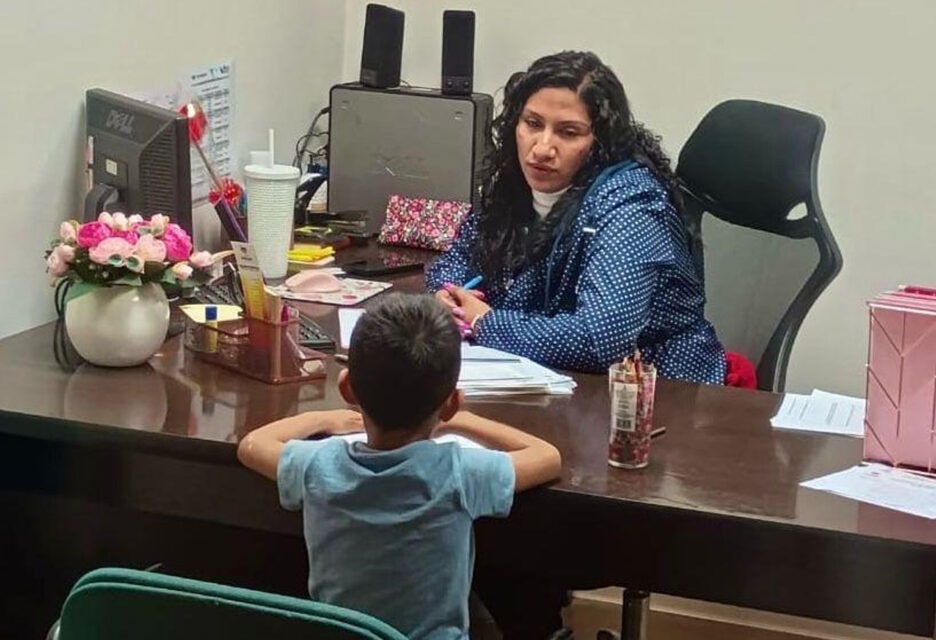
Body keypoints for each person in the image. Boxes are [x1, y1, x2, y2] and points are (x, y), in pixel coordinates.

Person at [237, 293, 562, 639]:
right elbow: (547, 457)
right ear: (451, 402)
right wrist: (461, 420)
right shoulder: (459, 472)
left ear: (347, 388)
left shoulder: (318, 466)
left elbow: (253, 445)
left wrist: (324, 418)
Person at [428, 51, 726, 383]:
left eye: (568, 132)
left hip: (651, 388)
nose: (542, 148)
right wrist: (448, 296)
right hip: (541, 375)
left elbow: (601, 339)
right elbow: (456, 258)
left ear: (600, 141)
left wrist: (485, 322)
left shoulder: (630, 205)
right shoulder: (514, 183)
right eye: (532, 124)